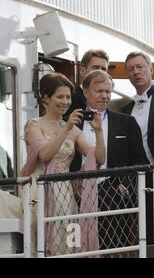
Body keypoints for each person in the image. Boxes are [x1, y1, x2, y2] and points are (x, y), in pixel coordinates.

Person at [20, 72, 105, 256]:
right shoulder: (34, 125)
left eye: (68, 97)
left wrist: (98, 131)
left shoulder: (72, 129)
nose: (65, 101)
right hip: (39, 191)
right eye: (60, 96)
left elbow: (98, 159)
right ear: (45, 98)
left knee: (68, 241)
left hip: (65, 193)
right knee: (39, 242)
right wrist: (66, 128)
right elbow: (44, 154)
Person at [72, 70, 148, 251]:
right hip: (74, 198)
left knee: (114, 249)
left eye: (108, 91)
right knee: (75, 247)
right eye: (99, 91)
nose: (105, 96)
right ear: (85, 92)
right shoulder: (70, 122)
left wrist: (125, 187)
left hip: (112, 195)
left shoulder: (126, 122)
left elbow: (141, 161)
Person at [121, 51, 154, 248]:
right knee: (143, 228)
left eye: (140, 67)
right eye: (131, 69)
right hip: (138, 176)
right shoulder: (125, 109)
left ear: (151, 69)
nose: (136, 72)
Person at [64, 49, 109, 119]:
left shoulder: (107, 99)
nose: (100, 72)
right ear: (82, 71)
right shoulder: (69, 98)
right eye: (95, 68)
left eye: (103, 69)